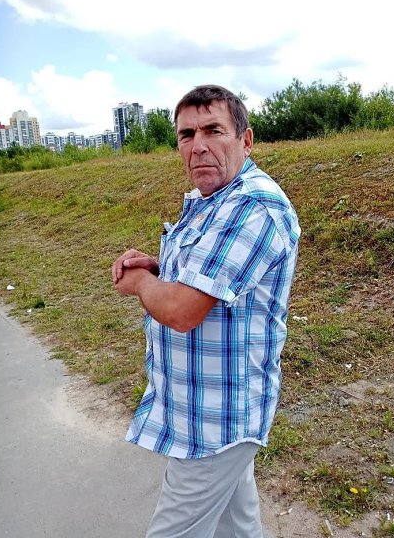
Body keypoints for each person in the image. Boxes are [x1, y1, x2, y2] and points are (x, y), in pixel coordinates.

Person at [112, 85, 300, 537]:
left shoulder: (253, 207)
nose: (198, 145)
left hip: (218, 420)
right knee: (238, 528)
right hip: (203, 406)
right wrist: (159, 267)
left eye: (214, 130)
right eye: (187, 134)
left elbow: (182, 311)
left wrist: (141, 283)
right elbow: (211, 275)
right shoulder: (214, 199)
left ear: (246, 140)